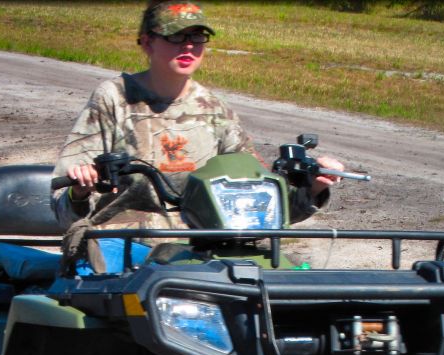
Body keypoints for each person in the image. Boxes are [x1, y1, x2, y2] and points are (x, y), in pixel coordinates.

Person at [52, 0, 344, 272]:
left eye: (198, 37)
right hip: (123, 244)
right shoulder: (114, 98)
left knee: (280, 289)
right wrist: (80, 189)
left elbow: (260, 200)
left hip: (199, 248)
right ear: (146, 42)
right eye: (175, 37)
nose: (188, 46)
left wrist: (314, 187)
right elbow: (62, 202)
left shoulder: (214, 109)